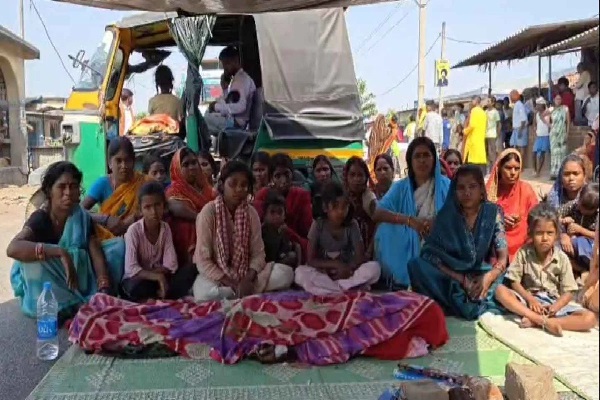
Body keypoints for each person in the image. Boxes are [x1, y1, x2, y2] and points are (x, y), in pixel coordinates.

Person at [8, 161, 125, 318]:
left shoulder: (81, 216)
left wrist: (104, 285)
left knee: (118, 248)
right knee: (33, 264)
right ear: (49, 190)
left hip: (79, 276)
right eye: (61, 187)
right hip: (52, 276)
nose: (68, 192)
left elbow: (94, 248)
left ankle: (89, 297)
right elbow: (13, 248)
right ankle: (62, 304)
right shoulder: (41, 218)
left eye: (73, 186)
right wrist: (59, 252)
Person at [408, 165, 508, 320]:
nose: (467, 192)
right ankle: (460, 302)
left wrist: (488, 278)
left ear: (482, 190)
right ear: (454, 191)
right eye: (461, 188)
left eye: (472, 186)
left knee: (504, 283)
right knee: (416, 265)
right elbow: (429, 254)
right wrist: (462, 279)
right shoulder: (446, 216)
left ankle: (466, 301)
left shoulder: (492, 213)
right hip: (451, 275)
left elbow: (503, 258)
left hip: (481, 273)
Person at [192, 160, 294, 301]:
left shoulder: (251, 213)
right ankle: (241, 292)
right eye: (233, 184)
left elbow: (258, 254)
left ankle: (237, 292)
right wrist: (232, 283)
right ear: (222, 185)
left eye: (244, 185)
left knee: (286, 274)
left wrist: (247, 280)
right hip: (218, 276)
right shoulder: (209, 212)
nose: (239, 189)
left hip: (247, 273)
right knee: (204, 294)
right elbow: (203, 260)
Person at [495, 203, 596, 336]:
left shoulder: (562, 258)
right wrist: (530, 299)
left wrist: (556, 306)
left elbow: (569, 291)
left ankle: (543, 321)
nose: (544, 238)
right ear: (530, 233)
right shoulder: (524, 252)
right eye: (539, 233)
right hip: (528, 301)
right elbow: (514, 281)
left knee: (590, 318)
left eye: (550, 233)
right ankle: (539, 320)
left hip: (552, 303)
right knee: (500, 290)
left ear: (556, 234)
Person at [373, 137, 451, 289]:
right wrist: (409, 221)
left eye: (426, 155)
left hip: (438, 239)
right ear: (410, 161)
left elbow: (459, 213)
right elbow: (378, 213)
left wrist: (438, 221)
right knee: (385, 229)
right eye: (417, 156)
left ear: (434, 159)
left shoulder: (446, 185)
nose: (422, 160)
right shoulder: (400, 187)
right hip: (409, 238)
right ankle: (402, 276)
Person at [294, 181, 381, 295]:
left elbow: (359, 258)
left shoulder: (352, 225)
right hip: (325, 273)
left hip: (348, 273)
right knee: (300, 272)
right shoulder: (318, 225)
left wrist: (347, 269)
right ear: (325, 207)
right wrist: (335, 264)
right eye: (335, 207)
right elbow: (310, 260)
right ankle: (344, 289)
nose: (340, 211)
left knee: (374, 268)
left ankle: (331, 290)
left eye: (344, 206)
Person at [122, 182, 197, 302]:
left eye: (157, 205)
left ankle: (159, 295)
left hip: (157, 277)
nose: (153, 212)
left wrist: (159, 276)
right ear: (140, 210)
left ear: (164, 207)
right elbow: (131, 269)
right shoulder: (134, 231)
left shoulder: (165, 228)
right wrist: (158, 276)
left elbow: (171, 264)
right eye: (147, 207)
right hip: (138, 280)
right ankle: (160, 295)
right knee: (137, 287)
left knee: (191, 270)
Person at [82, 137, 147, 237]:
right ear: (110, 163)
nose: (123, 166)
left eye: (127, 160)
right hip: (107, 240)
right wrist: (105, 219)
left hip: (138, 238)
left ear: (133, 161)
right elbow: (78, 212)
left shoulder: (144, 182)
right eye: (118, 161)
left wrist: (132, 220)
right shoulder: (102, 184)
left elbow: (157, 207)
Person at [166, 148, 216, 266]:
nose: (192, 167)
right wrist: (201, 218)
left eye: (194, 163)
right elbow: (175, 207)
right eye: (186, 164)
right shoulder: (174, 190)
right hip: (189, 240)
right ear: (178, 168)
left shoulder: (205, 187)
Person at [486, 149, 539, 261]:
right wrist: (499, 220)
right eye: (508, 168)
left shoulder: (526, 190)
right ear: (499, 168)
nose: (513, 172)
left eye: (517, 168)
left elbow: (537, 217)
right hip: (495, 246)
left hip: (523, 244)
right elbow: (481, 219)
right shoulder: (490, 192)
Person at [254, 153, 313, 241]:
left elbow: (308, 235)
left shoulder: (302, 196)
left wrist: (289, 233)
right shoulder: (262, 195)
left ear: (292, 175)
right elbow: (256, 231)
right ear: (271, 178)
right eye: (278, 176)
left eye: (286, 174)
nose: (283, 180)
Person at [204, 46, 256, 134]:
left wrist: (216, 107)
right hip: (233, 120)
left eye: (227, 63)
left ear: (236, 61)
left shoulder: (241, 80)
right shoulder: (237, 79)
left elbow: (240, 107)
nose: (225, 68)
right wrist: (225, 88)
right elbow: (230, 103)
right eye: (223, 64)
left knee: (203, 121)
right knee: (207, 115)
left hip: (236, 124)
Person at [559, 183, 598, 273]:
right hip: (569, 239)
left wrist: (581, 230)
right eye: (581, 207)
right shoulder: (574, 205)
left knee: (580, 243)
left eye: (587, 211)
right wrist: (563, 222)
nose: (582, 211)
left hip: (589, 244)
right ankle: (574, 265)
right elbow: (555, 216)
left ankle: (587, 268)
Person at [343, 157, 377, 257]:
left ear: (366, 177)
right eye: (352, 175)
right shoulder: (341, 197)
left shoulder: (370, 199)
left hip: (368, 252)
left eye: (360, 175)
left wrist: (369, 252)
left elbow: (379, 226)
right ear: (346, 177)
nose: (356, 179)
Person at [261, 190, 299, 269]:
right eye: (272, 212)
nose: (277, 216)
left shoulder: (283, 232)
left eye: (280, 212)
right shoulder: (260, 232)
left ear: (285, 215)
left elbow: (294, 248)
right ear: (265, 215)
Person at [305, 155, 340, 220]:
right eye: (318, 170)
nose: (323, 174)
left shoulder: (338, 189)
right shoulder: (309, 190)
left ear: (331, 171)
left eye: (325, 169)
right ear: (313, 173)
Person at [367, 114, 396, 182]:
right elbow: (389, 133)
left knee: (373, 167)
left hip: (372, 152)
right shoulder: (384, 130)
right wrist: (392, 126)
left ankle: (374, 180)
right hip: (380, 152)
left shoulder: (373, 130)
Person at [463, 96, 487, 175]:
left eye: (472, 100)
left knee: (472, 159)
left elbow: (472, 125)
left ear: (476, 101)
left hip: (473, 139)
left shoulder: (474, 111)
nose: (471, 102)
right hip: (480, 138)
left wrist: (465, 131)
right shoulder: (483, 112)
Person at [549, 93, 571, 179]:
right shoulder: (551, 109)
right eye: (557, 99)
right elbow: (542, 116)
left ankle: (562, 172)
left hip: (562, 134)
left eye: (559, 99)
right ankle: (554, 173)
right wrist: (549, 125)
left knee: (562, 153)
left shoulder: (565, 108)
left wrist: (567, 133)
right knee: (554, 153)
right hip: (554, 135)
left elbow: (568, 122)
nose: (558, 100)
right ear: (554, 100)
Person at [532, 97, 551, 177]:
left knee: (542, 154)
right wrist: (534, 131)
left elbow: (551, 123)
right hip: (539, 136)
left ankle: (538, 171)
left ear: (542, 105)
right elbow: (534, 123)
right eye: (536, 105)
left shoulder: (548, 113)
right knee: (534, 153)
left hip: (546, 135)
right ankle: (534, 170)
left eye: (538, 105)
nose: (536, 106)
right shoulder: (536, 114)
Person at [510, 90, 529, 164]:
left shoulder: (519, 105)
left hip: (520, 128)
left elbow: (523, 119)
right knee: (515, 147)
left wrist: (520, 131)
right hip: (516, 129)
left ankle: (521, 165)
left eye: (511, 96)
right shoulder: (516, 105)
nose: (510, 98)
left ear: (515, 96)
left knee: (521, 148)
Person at [485, 97, 501, 171]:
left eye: (489, 101)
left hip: (492, 134)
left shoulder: (495, 112)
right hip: (486, 134)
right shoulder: (485, 111)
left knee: (493, 151)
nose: (487, 103)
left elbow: (499, 124)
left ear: (492, 103)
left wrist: (498, 134)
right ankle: (491, 167)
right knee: (489, 152)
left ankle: (494, 167)